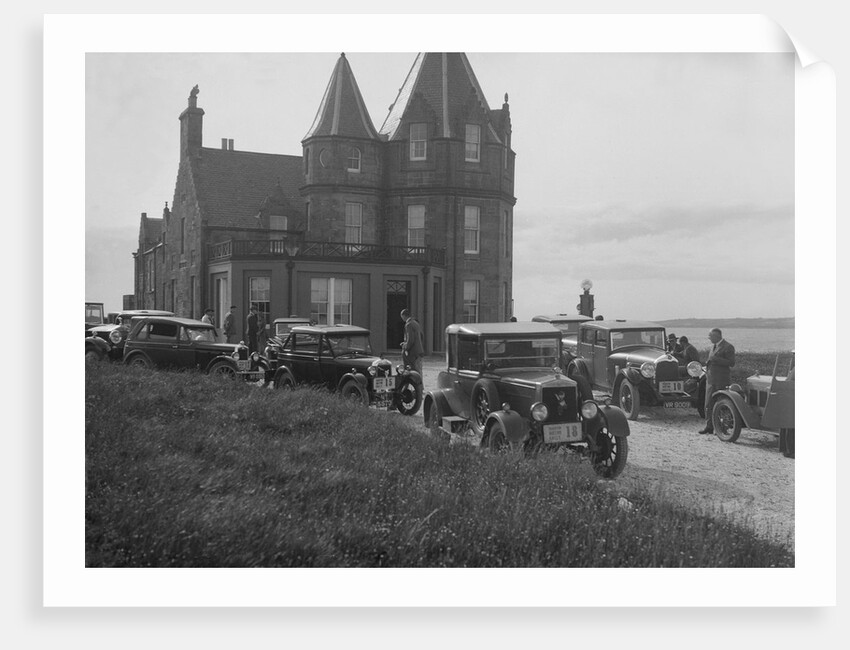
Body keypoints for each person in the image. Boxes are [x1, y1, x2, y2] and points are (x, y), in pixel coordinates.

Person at [698, 327, 736, 434]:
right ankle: (709, 426)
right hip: (710, 380)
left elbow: (731, 363)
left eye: (710, 336)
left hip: (721, 381)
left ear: (716, 336)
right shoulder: (713, 347)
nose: (708, 338)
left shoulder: (728, 347)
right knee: (708, 404)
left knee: (721, 404)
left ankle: (722, 428)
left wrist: (716, 359)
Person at [400, 308, 424, 374]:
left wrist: (405, 346)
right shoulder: (416, 323)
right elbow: (421, 336)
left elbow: (410, 340)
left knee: (412, 371)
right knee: (419, 371)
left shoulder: (408, 325)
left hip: (413, 353)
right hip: (419, 351)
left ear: (404, 316)